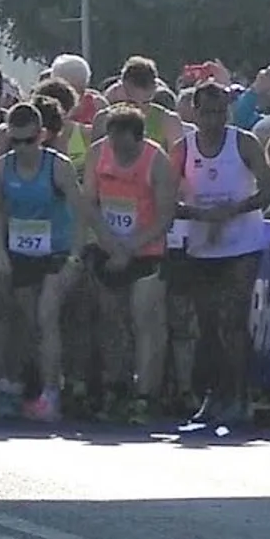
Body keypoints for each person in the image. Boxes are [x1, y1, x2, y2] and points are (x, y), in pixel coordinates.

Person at [172, 81, 270, 426]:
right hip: (202, 245)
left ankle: (240, 395)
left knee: (233, 320)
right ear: (195, 112)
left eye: (220, 112)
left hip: (242, 243)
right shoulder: (183, 149)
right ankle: (212, 394)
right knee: (206, 323)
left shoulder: (243, 142)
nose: (214, 120)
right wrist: (199, 214)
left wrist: (233, 210)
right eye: (207, 113)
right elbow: (162, 199)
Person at [0, 101, 88, 422]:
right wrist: (1, 252)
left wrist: (75, 255)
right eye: (14, 142)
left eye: (28, 141)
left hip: (56, 252)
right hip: (21, 252)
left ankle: (50, 394)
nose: (22, 148)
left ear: (41, 135)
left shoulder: (57, 167)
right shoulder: (2, 168)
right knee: (26, 322)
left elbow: (80, 211)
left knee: (47, 317)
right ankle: (20, 386)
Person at [83, 105, 178, 424]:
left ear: (138, 139)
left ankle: (146, 395)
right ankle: (116, 386)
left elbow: (165, 216)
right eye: (113, 142)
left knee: (145, 320)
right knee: (110, 320)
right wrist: (110, 245)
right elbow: (90, 203)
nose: (118, 151)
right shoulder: (99, 154)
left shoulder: (157, 161)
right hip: (109, 246)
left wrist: (131, 248)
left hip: (146, 249)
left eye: (124, 145)